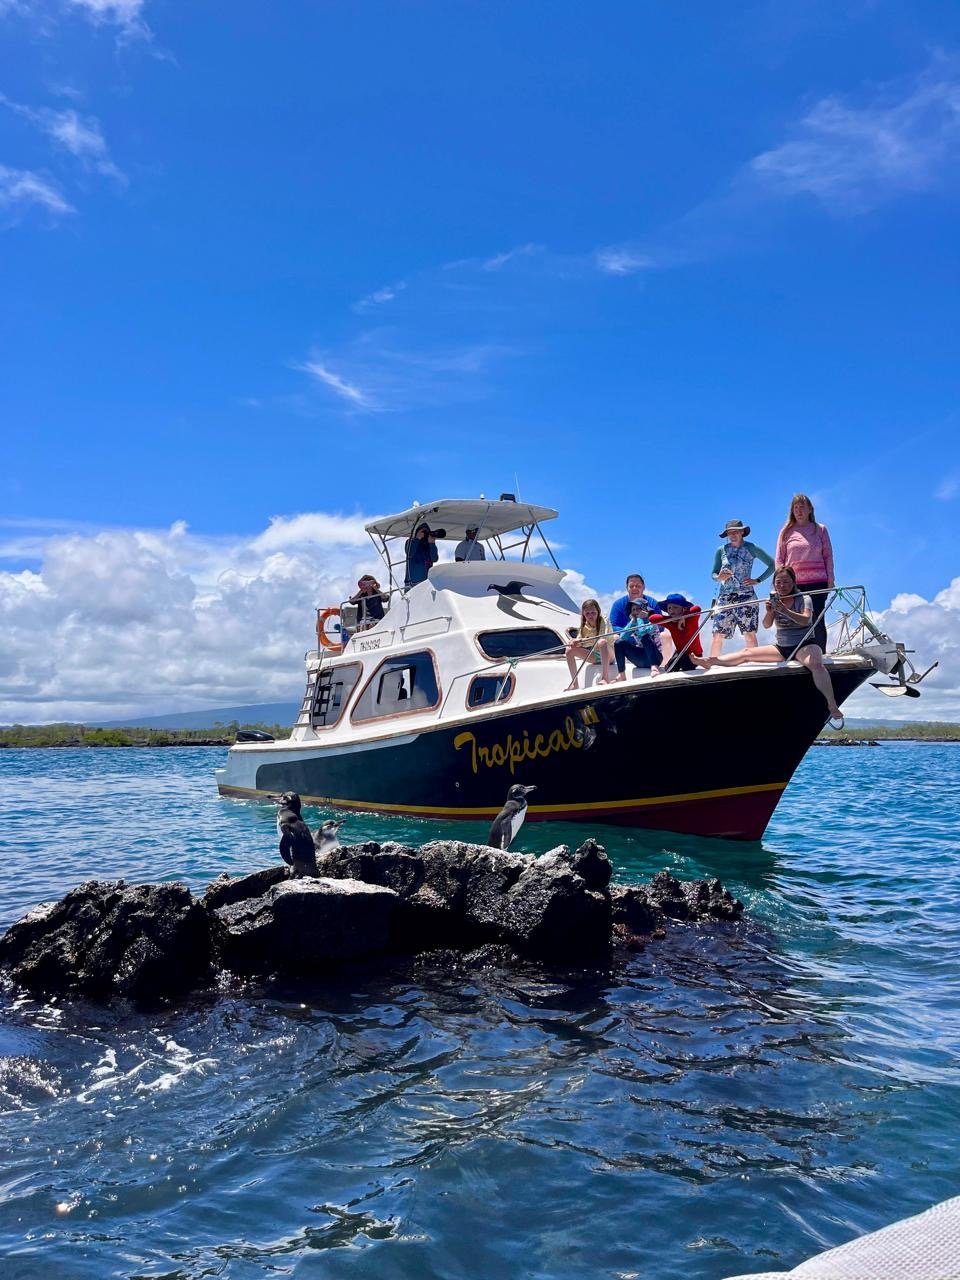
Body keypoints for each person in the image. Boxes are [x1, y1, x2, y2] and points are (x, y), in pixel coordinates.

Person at [691, 565, 844, 726]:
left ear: (793, 582)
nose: (782, 586)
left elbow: (806, 620)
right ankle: (710, 661)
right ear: (774, 584)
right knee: (746, 653)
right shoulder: (773, 599)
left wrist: (784, 610)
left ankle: (832, 705)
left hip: (805, 644)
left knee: (816, 665)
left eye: (786, 582)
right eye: (778, 582)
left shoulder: (803, 599)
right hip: (782, 646)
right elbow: (766, 625)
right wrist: (770, 611)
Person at [775, 493, 834, 653]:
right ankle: (797, 653)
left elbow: (828, 555)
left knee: (816, 620)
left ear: (810, 509)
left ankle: (820, 653)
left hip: (818, 581)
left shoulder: (820, 529)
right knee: (795, 619)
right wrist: (778, 582)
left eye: (802, 507)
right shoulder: (786, 531)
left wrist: (831, 579)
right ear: (792, 511)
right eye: (796, 508)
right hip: (794, 583)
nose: (799, 511)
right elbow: (779, 558)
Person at [709, 519, 775, 657]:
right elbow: (713, 573)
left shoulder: (752, 547)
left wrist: (758, 580)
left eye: (736, 531)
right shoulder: (721, 550)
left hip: (746, 595)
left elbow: (773, 564)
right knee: (717, 635)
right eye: (729, 532)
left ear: (742, 532)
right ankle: (712, 664)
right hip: (725, 597)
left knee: (749, 633)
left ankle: (755, 662)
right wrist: (718, 577)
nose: (732, 534)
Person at [565, 598, 612, 689]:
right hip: (595, 656)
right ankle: (575, 684)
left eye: (593, 613)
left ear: (598, 612)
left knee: (602, 642)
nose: (591, 616)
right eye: (587, 613)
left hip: (609, 654)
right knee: (569, 650)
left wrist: (582, 641)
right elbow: (580, 642)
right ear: (584, 614)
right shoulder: (584, 626)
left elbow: (603, 637)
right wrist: (574, 642)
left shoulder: (604, 620)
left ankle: (605, 678)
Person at [649, 594, 703, 672]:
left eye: (675, 607)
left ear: (684, 609)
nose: (671, 610)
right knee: (668, 669)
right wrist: (669, 619)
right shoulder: (670, 622)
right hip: (680, 653)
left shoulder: (691, 618)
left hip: (694, 654)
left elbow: (697, 608)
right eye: (669, 608)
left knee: (686, 666)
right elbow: (652, 619)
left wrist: (684, 616)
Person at [612, 598, 662, 679]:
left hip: (656, 657)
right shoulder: (634, 623)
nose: (635, 612)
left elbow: (643, 632)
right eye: (633, 610)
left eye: (638, 609)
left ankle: (654, 667)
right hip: (641, 658)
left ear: (645, 610)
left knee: (645, 637)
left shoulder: (652, 621)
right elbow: (622, 637)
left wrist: (640, 618)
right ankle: (622, 675)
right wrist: (632, 622)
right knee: (619, 642)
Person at [404, 522, 438, 589]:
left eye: (426, 533)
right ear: (417, 532)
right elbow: (409, 553)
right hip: (412, 583)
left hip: (426, 582)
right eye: (423, 532)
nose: (424, 534)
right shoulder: (410, 542)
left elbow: (434, 559)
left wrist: (432, 544)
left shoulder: (429, 546)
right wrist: (417, 539)